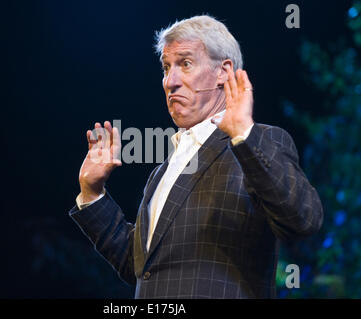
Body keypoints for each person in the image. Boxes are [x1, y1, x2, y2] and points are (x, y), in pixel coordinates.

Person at [68, 15, 323, 298]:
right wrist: (92, 194)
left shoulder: (261, 140)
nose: (170, 81)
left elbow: (303, 219)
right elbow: (139, 267)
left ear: (223, 72)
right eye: (166, 68)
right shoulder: (161, 172)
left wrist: (245, 136)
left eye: (185, 63)